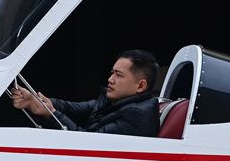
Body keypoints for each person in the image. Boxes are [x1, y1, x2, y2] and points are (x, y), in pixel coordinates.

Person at [11, 49, 160, 137]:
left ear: (140, 86)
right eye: (112, 73)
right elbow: (73, 109)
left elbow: (88, 142)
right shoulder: (115, 101)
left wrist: (52, 114)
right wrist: (34, 101)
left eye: (119, 75)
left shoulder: (137, 115)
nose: (110, 79)